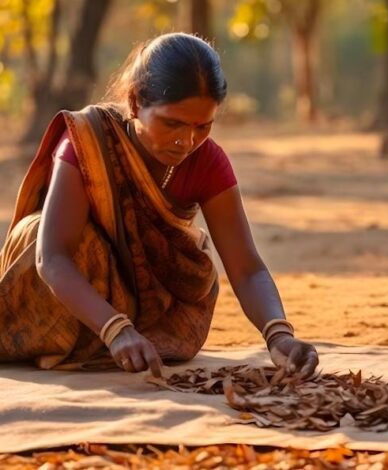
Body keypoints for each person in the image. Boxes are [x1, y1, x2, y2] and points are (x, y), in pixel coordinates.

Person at [0, 33, 319, 378]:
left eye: (203, 126)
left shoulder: (206, 162)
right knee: (57, 238)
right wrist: (115, 330)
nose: (187, 141)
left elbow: (246, 267)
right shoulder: (87, 142)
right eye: (172, 123)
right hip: (68, 295)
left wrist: (278, 334)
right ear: (136, 103)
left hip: (147, 309)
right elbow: (53, 256)